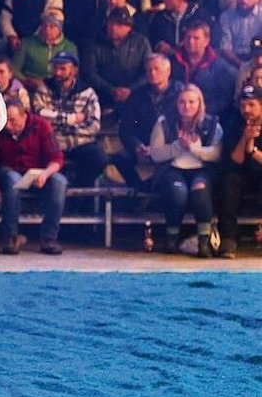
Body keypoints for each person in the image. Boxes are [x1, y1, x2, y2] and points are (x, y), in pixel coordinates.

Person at [149, 84, 223, 255]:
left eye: (191, 102)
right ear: (177, 103)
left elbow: (217, 154)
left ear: (199, 103)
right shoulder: (164, 122)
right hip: (173, 168)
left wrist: (193, 148)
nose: (187, 106)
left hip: (201, 169)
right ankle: (171, 239)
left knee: (200, 190)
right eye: (182, 102)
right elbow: (156, 154)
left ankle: (204, 242)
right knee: (178, 192)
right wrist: (178, 146)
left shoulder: (212, 124)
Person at [0, 97, 66, 254]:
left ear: (24, 116)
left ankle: (49, 239)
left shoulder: (41, 126)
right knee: (12, 179)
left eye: (13, 121)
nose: (9, 125)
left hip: (38, 174)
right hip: (9, 172)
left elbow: (57, 159)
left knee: (60, 182)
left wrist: (45, 174)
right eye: (6, 121)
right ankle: (10, 237)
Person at [32, 50, 106, 186]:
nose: (57, 72)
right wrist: (72, 119)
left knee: (99, 158)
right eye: (55, 68)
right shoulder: (44, 88)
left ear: (74, 70)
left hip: (80, 143)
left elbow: (94, 126)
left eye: (63, 68)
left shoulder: (88, 92)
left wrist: (56, 121)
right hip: (53, 143)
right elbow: (39, 115)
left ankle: (78, 192)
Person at [112, 52, 180, 190]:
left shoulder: (181, 93)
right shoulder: (137, 95)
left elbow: (185, 127)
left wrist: (159, 148)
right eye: (149, 70)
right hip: (144, 145)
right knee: (119, 157)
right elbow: (126, 129)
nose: (152, 73)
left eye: (156, 69)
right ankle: (141, 189)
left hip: (171, 146)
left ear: (168, 71)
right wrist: (137, 146)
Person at [217, 84, 262, 258]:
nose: (246, 110)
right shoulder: (233, 123)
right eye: (243, 105)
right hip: (241, 172)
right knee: (229, 181)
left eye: (251, 105)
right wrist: (245, 138)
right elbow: (235, 159)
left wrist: (252, 151)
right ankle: (228, 240)